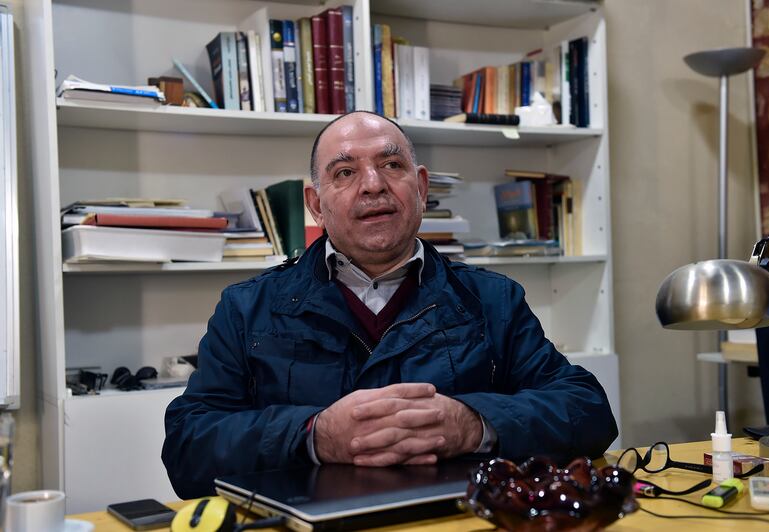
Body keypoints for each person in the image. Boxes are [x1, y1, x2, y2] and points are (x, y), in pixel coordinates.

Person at [162, 111, 618, 499]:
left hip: (454, 521)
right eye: (345, 172)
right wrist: (314, 435)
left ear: (420, 188)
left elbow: (588, 410)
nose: (373, 185)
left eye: (392, 164)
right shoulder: (247, 308)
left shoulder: (493, 300)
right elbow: (188, 446)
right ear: (315, 204)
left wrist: (474, 424)